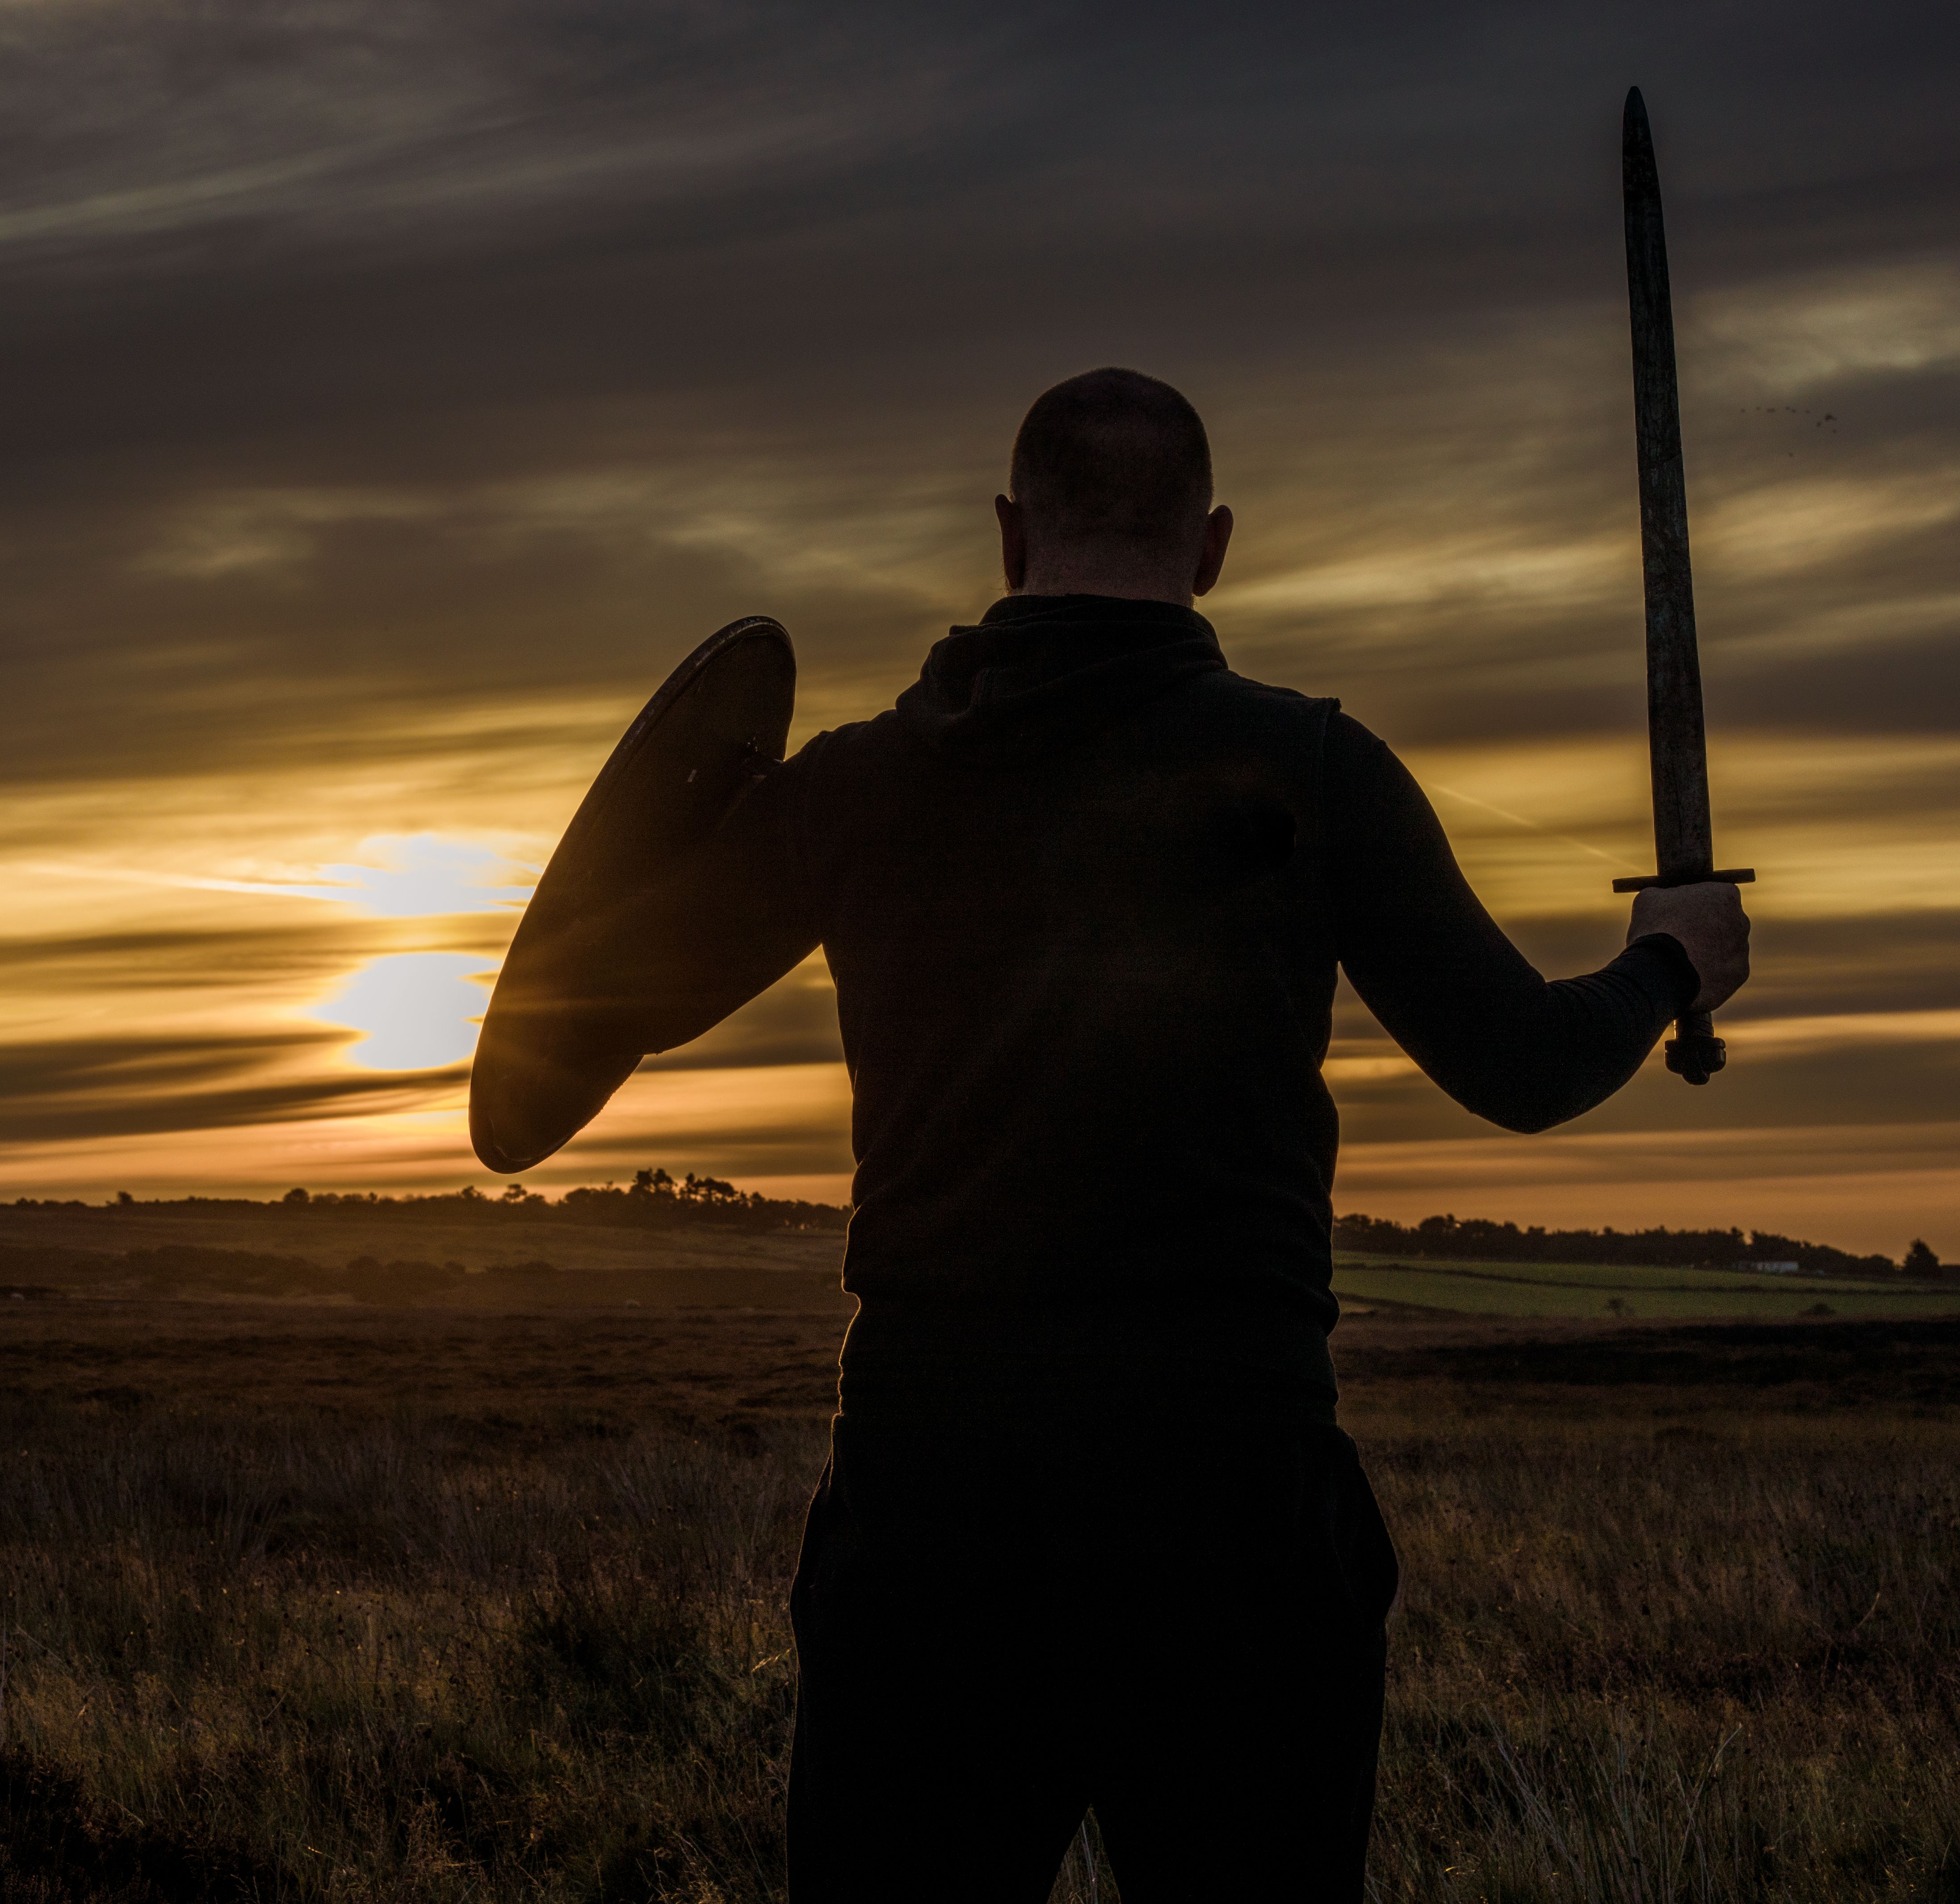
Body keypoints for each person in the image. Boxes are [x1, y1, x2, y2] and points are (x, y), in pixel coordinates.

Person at [522, 367, 1750, 1900]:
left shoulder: (850, 787)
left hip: (931, 1516)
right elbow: (1522, 1065)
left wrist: (723, 816)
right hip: (1226, 1512)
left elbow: (599, 1000)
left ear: (1007, 535)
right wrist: (1668, 963)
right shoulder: (1309, 768)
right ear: (1215, 544)